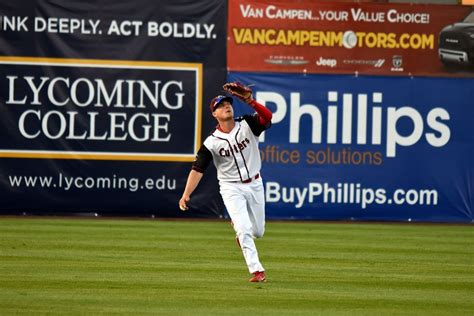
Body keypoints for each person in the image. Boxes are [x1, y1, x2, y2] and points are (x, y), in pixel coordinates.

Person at [178, 84, 272, 282]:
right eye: (220, 106)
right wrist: (186, 194)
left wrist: (250, 101)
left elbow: (268, 117)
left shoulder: (247, 124)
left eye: (228, 103)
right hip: (231, 187)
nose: (226, 106)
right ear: (214, 114)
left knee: (258, 231)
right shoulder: (211, 143)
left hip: (255, 183)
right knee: (244, 228)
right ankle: (257, 271)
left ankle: (241, 232)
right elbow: (197, 169)